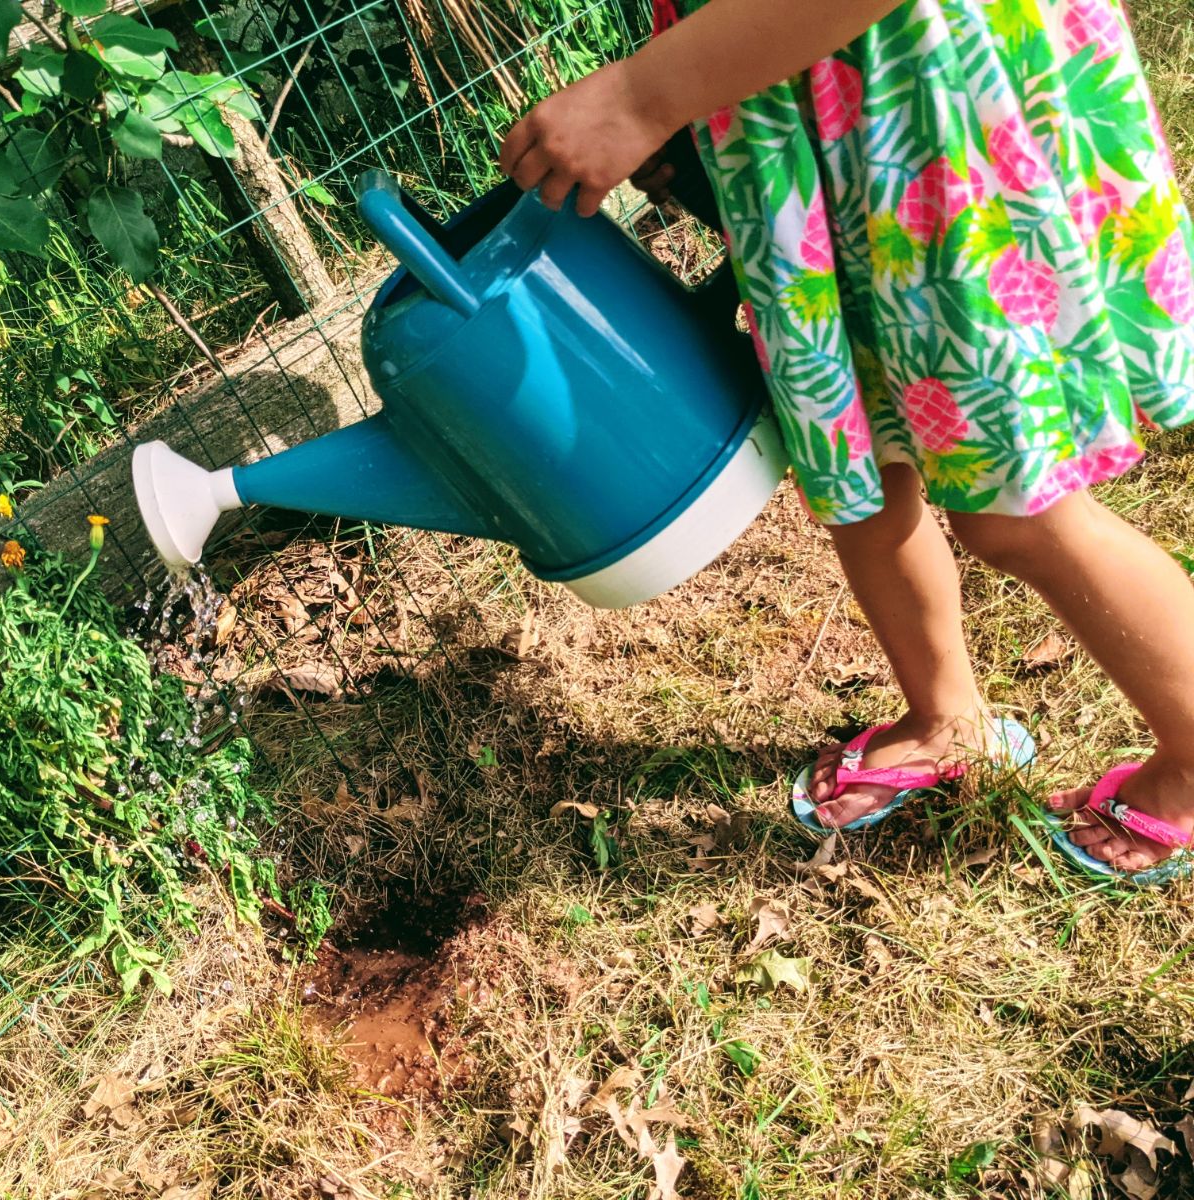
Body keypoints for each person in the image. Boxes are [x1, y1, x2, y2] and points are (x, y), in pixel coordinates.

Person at [499, 0, 1194, 884]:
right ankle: (946, 718)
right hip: (800, 125)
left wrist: (644, 93)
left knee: (1019, 509)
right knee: (863, 464)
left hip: (923, 125)